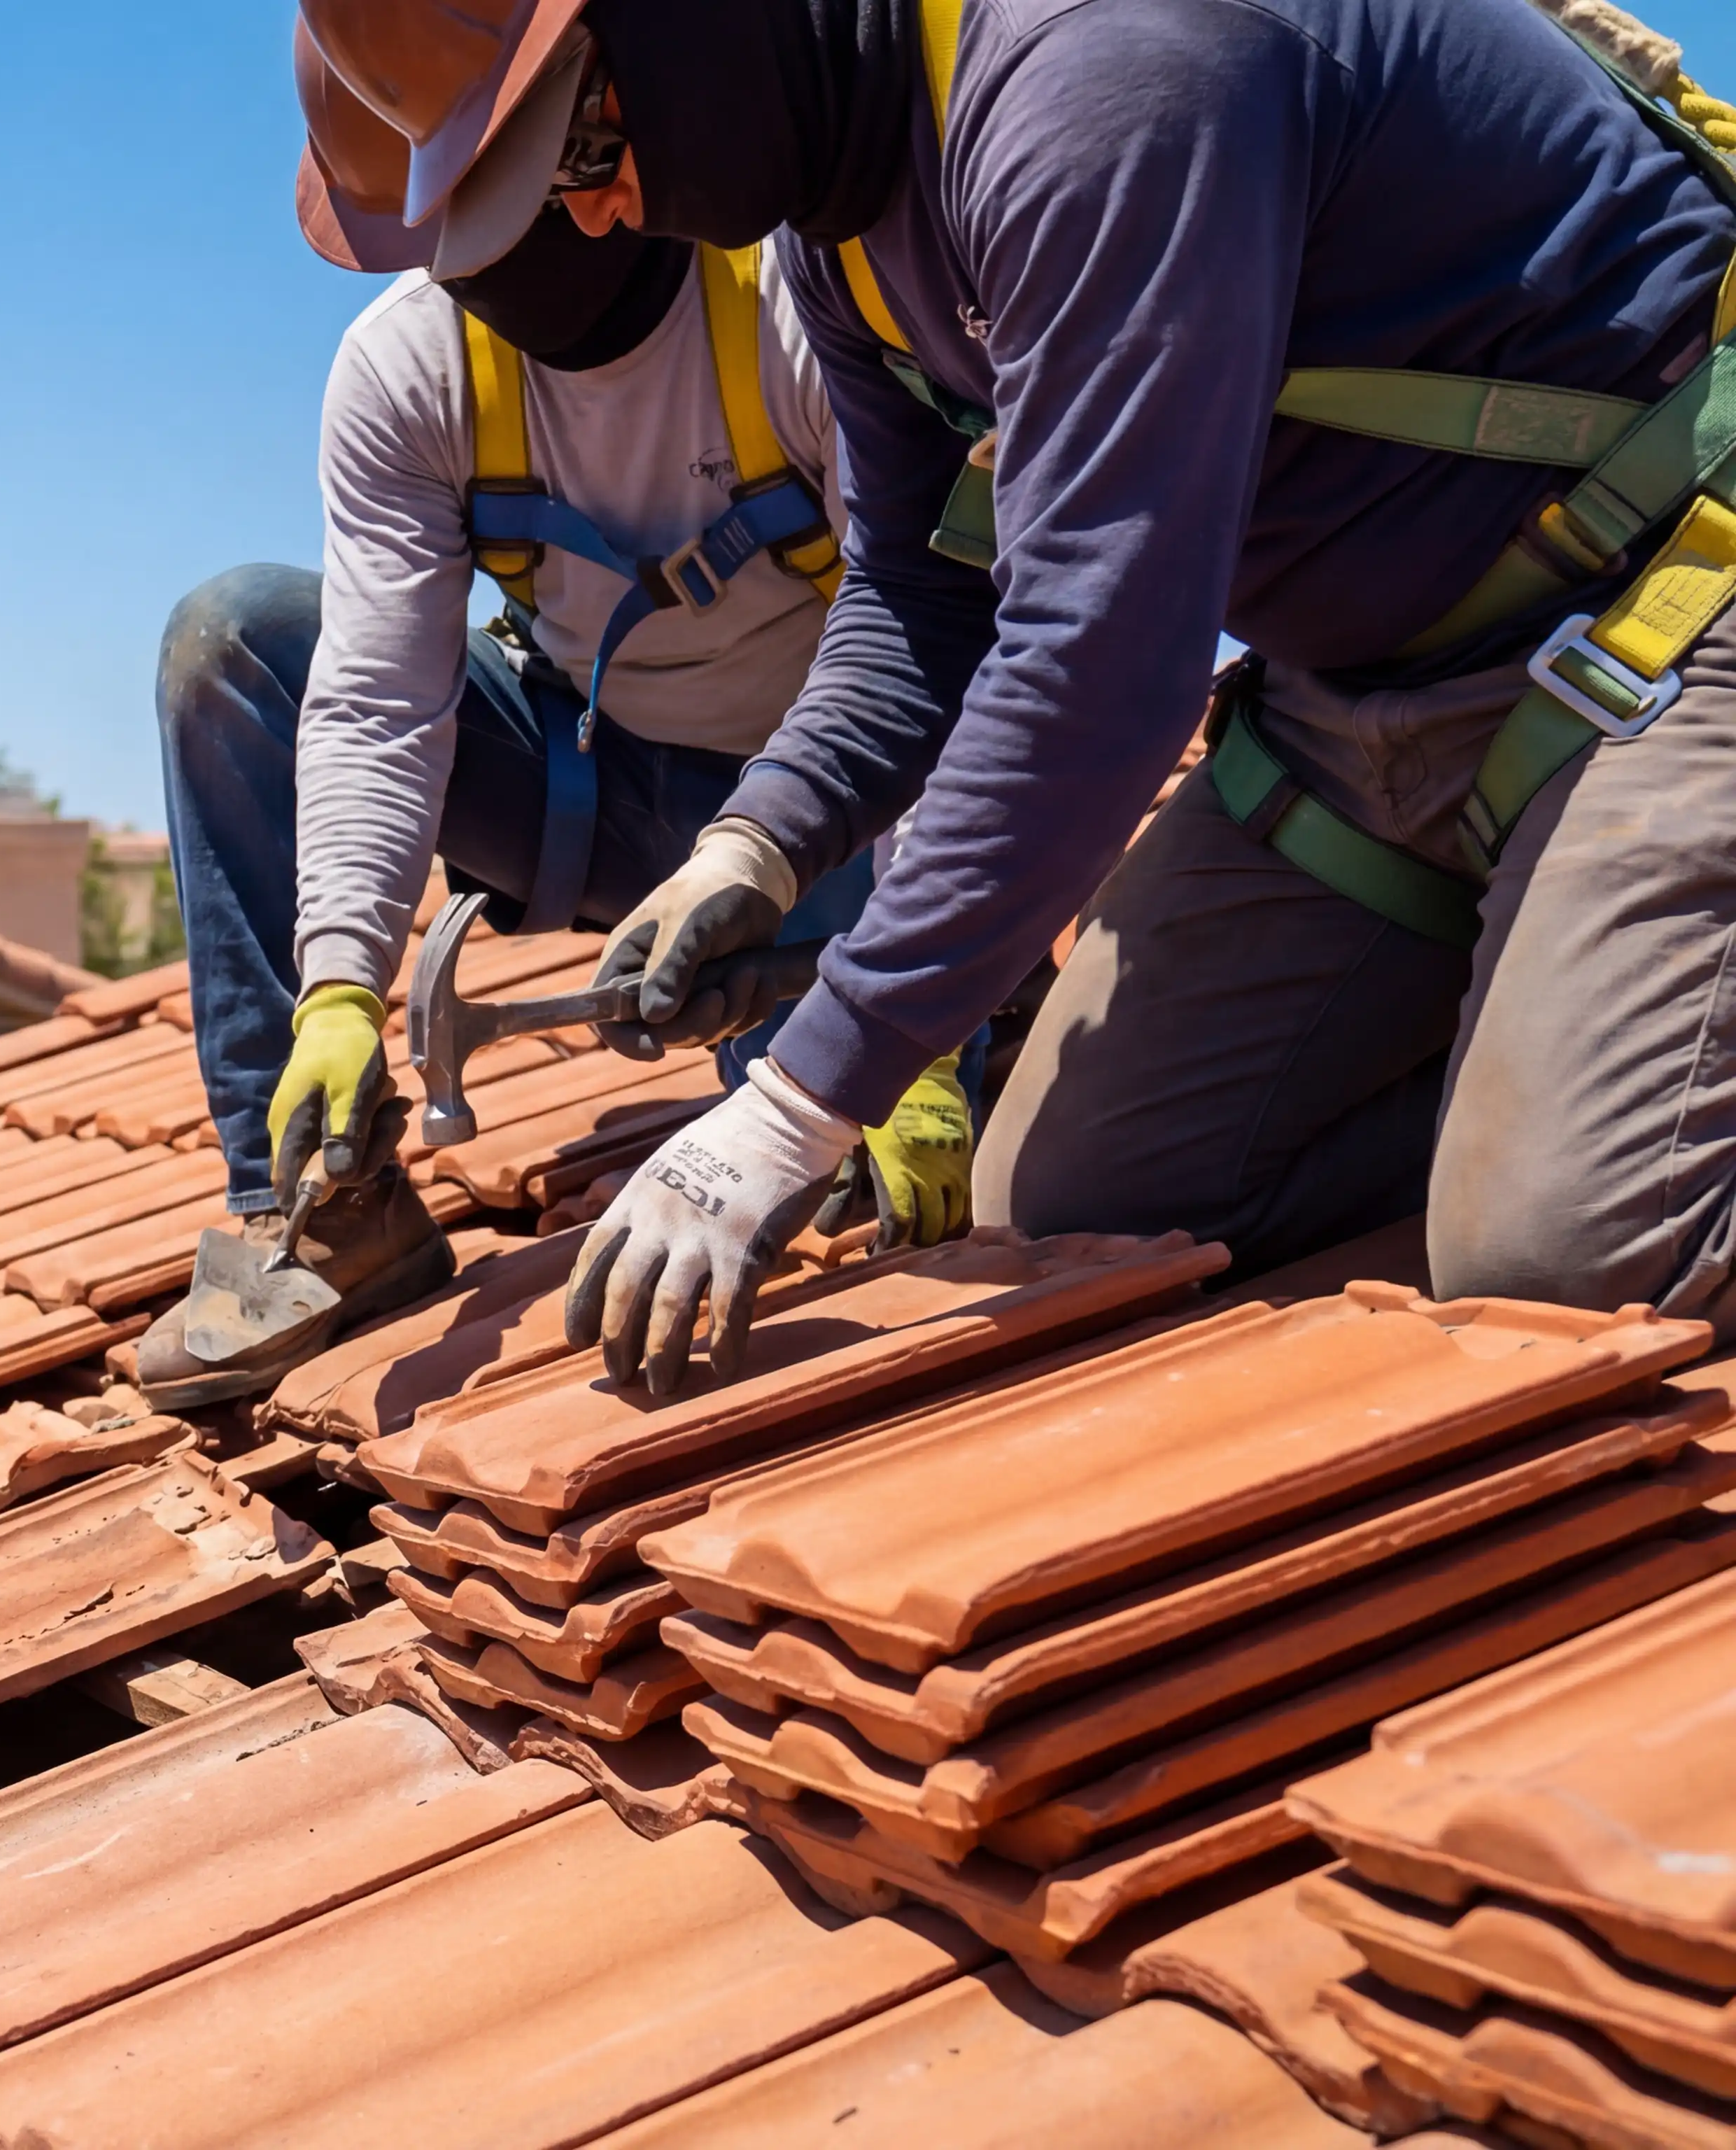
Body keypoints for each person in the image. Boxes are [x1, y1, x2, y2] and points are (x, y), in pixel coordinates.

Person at [292, 0, 1736, 1398]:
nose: (594, 221)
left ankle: (1602, 1119)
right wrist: (762, 842)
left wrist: (799, 1102)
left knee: (1571, 1268)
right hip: (1365, 711)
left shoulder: (1106, 70)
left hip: (1667, 610)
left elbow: (1095, 656)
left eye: (584, 154)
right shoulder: (839, 235)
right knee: (1081, 1208)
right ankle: (1562, 1052)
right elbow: (927, 592)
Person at [134, 20, 975, 1410]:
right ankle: (318, 1207)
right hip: (586, 803)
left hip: (830, 845)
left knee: (844, 1214)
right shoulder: (403, 377)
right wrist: (344, 986)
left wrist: (921, 1013)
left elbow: (939, 643)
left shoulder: (787, 298)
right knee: (231, 645)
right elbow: (373, 699)